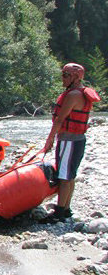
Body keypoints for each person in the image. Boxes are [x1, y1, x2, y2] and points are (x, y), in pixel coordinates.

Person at [40, 63, 101, 223]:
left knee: (64, 176)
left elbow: (60, 119)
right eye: (63, 74)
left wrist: (50, 139)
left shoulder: (73, 95)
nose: (63, 78)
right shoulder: (79, 93)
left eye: (66, 75)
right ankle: (65, 209)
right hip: (77, 140)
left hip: (69, 140)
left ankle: (59, 213)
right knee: (69, 175)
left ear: (75, 77)